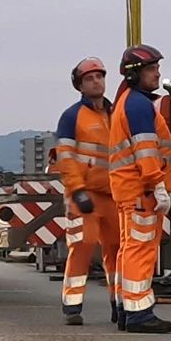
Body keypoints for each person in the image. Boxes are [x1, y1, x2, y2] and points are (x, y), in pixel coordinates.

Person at [108, 44, 171, 333]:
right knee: (140, 249)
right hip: (141, 191)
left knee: (129, 248)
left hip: (130, 189)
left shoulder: (127, 102)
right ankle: (138, 311)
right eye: (151, 69)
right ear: (135, 75)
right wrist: (157, 186)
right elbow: (146, 151)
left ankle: (126, 308)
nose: (157, 73)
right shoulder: (137, 105)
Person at [53, 57, 120, 325]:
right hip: (84, 194)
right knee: (82, 245)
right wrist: (77, 190)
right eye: (90, 78)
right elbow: (65, 156)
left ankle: (120, 302)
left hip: (113, 193)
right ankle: (72, 305)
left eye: (99, 76)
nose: (96, 82)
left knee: (117, 249)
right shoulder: (72, 116)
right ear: (80, 85)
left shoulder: (115, 113)